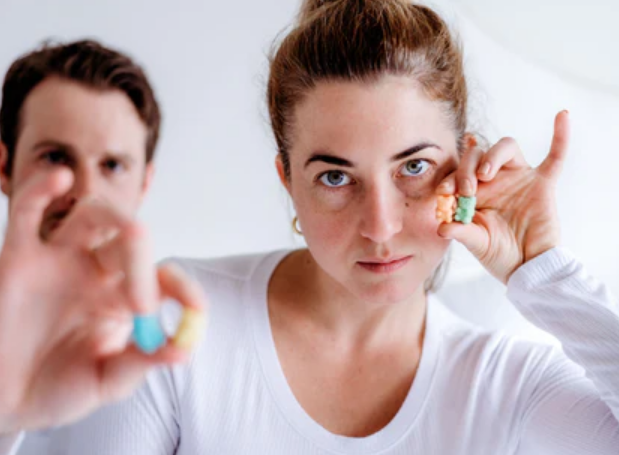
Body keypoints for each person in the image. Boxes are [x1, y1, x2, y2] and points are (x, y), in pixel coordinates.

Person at [49, 1, 619, 454]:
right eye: (336, 177)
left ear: (465, 166)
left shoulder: (509, 384)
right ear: (288, 180)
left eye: (414, 168)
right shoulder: (176, 319)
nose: (381, 226)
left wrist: (542, 268)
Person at [0, 40, 205, 455]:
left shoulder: (175, 348)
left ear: (144, 183)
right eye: (55, 157)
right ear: (4, 167)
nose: (85, 193)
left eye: (112, 165)